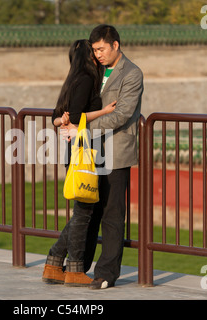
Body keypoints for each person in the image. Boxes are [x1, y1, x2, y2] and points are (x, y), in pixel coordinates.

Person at [62, 25, 144, 289]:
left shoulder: (132, 74)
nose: (97, 54)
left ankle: (107, 273)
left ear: (115, 45)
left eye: (101, 49)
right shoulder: (93, 70)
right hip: (89, 152)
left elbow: (121, 115)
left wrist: (82, 128)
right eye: (94, 49)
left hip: (116, 152)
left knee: (111, 213)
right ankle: (78, 268)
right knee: (88, 209)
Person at [42, 39, 116, 287]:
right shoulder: (86, 79)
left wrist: (61, 122)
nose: (97, 57)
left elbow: (56, 117)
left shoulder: (71, 80)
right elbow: (74, 117)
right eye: (94, 54)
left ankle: (54, 264)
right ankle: (73, 270)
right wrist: (104, 112)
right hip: (82, 151)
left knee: (82, 212)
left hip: (72, 150)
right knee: (83, 213)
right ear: (88, 58)